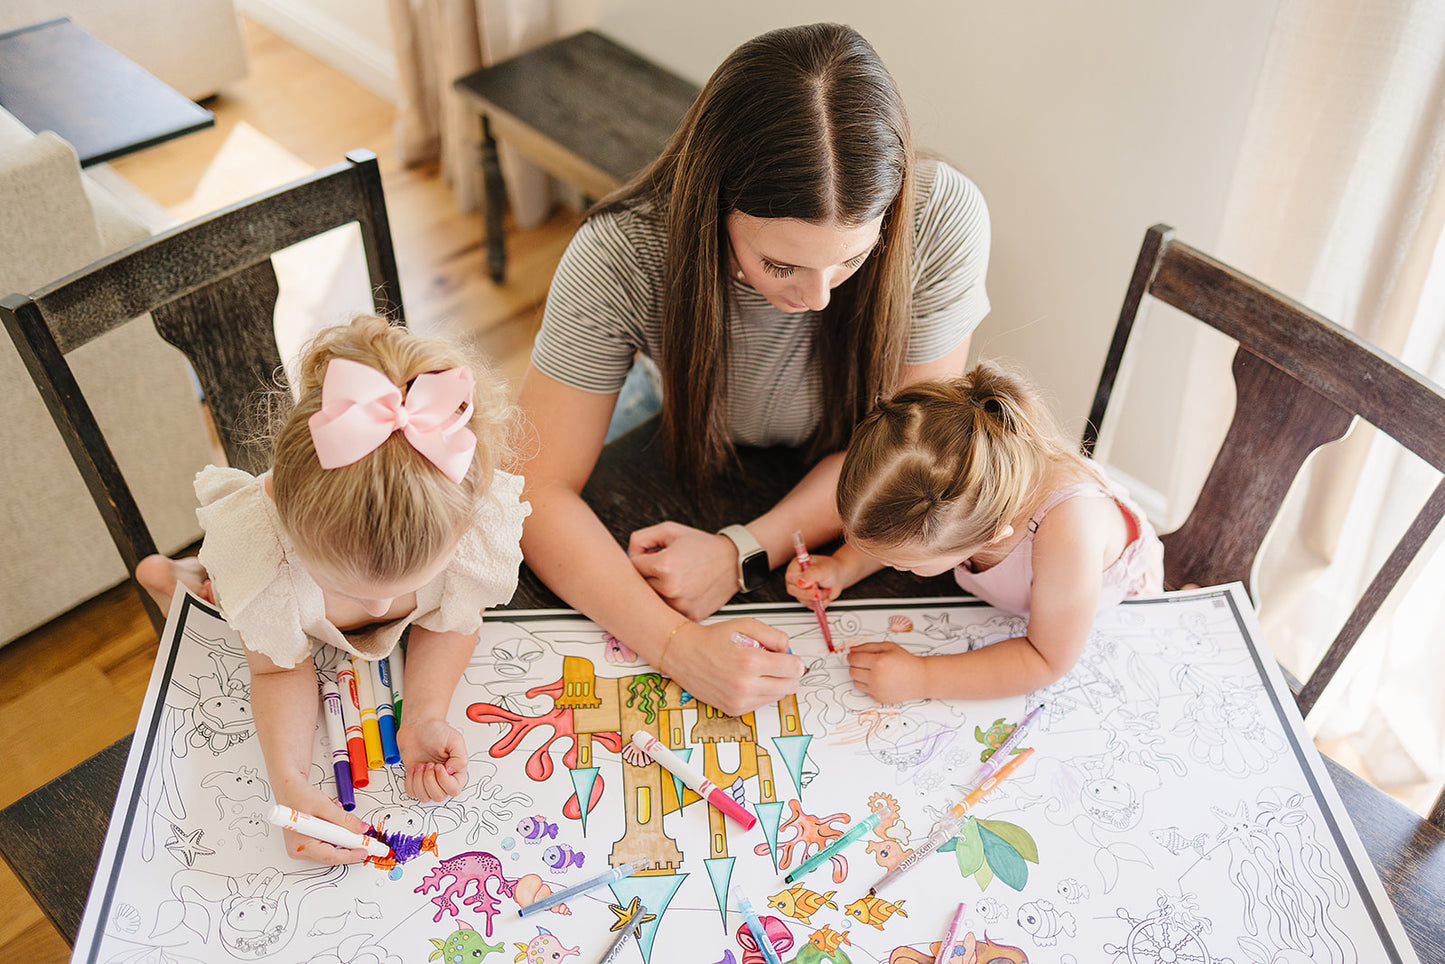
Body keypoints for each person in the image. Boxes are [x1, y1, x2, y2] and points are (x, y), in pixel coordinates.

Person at [517, 23, 992, 716]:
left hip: (840, 478)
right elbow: (532, 490)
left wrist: (742, 548)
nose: (818, 298)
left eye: (851, 260)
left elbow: (910, 460)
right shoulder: (618, 253)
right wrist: (677, 646)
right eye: (780, 264)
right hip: (688, 436)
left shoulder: (942, 216)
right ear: (713, 207)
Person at [137, 315, 529, 863]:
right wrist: (289, 782)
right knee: (229, 597)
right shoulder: (269, 555)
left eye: (405, 586)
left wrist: (421, 716)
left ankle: (191, 576)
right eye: (347, 584)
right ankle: (190, 576)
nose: (379, 609)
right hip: (268, 596)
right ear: (277, 506)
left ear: (467, 524)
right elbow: (277, 667)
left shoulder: (465, 537)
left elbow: (451, 619)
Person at [786, 361, 1164, 704]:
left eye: (901, 565)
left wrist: (921, 677)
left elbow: (1046, 659)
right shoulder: (959, 485)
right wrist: (842, 567)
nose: (889, 564)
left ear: (990, 537)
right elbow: (904, 528)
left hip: (1107, 622)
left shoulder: (1068, 534)